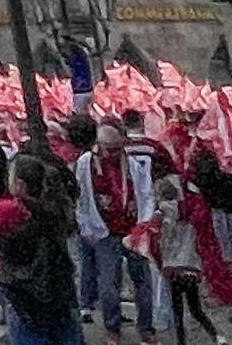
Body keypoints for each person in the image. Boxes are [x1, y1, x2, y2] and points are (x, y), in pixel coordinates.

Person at [0, 155, 80, 345]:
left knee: (29, 332)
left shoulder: (3, 210)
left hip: (23, 289)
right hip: (60, 288)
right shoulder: (57, 209)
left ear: (19, 184)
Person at [76, 120, 158, 345]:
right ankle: (112, 328)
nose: (112, 153)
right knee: (109, 285)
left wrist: (144, 223)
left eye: (116, 148)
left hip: (133, 229)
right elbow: (81, 197)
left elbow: (146, 192)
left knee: (142, 282)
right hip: (105, 232)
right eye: (108, 149)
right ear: (99, 145)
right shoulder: (86, 163)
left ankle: (146, 329)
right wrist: (86, 226)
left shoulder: (132, 162)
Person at [154, 174, 221, 345]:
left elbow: (159, 238)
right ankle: (217, 336)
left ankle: (181, 341)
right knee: (196, 309)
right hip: (190, 265)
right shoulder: (190, 213)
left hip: (173, 267)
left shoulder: (161, 213)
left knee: (177, 310)